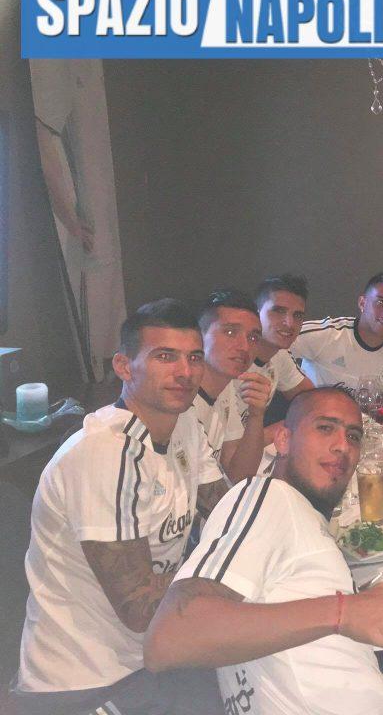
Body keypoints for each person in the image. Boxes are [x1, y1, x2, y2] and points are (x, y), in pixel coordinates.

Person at [143, 388, 383, 715]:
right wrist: (345, 611)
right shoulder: (266, 496)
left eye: (354, 436)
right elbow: (168, 639)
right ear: (283, 440)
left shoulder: (298, 516)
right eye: (325, 428)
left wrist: (356, 601)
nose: (342, 446)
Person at [11, 299, 228, 715]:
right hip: (82, 681)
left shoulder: (184, 425)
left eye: (194, 358)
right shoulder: (104, 453)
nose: (185, 372)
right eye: (165, 357)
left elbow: (229, 512)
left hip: (154, 655)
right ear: (124, 367)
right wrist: (234, 570)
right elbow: (139, 605)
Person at [290, 272, 383, 398]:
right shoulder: (326, 335)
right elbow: (278, 347)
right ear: (362, 303)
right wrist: (295, 385)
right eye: (381, 302)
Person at [195, 289, 273, 483]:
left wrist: (256, 415)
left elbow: (238, 475)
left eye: (253, 338)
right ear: (199, 337)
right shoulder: (178, 401)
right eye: (230, 332)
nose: (244, 347)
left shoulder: (226, 387)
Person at [250, 274, 314, 440]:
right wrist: (281, 431)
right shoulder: (231, 360)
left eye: (297, 315)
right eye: (279, 311)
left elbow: (312, 401)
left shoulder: (279, 354)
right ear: (256, 313)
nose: (289, 323)